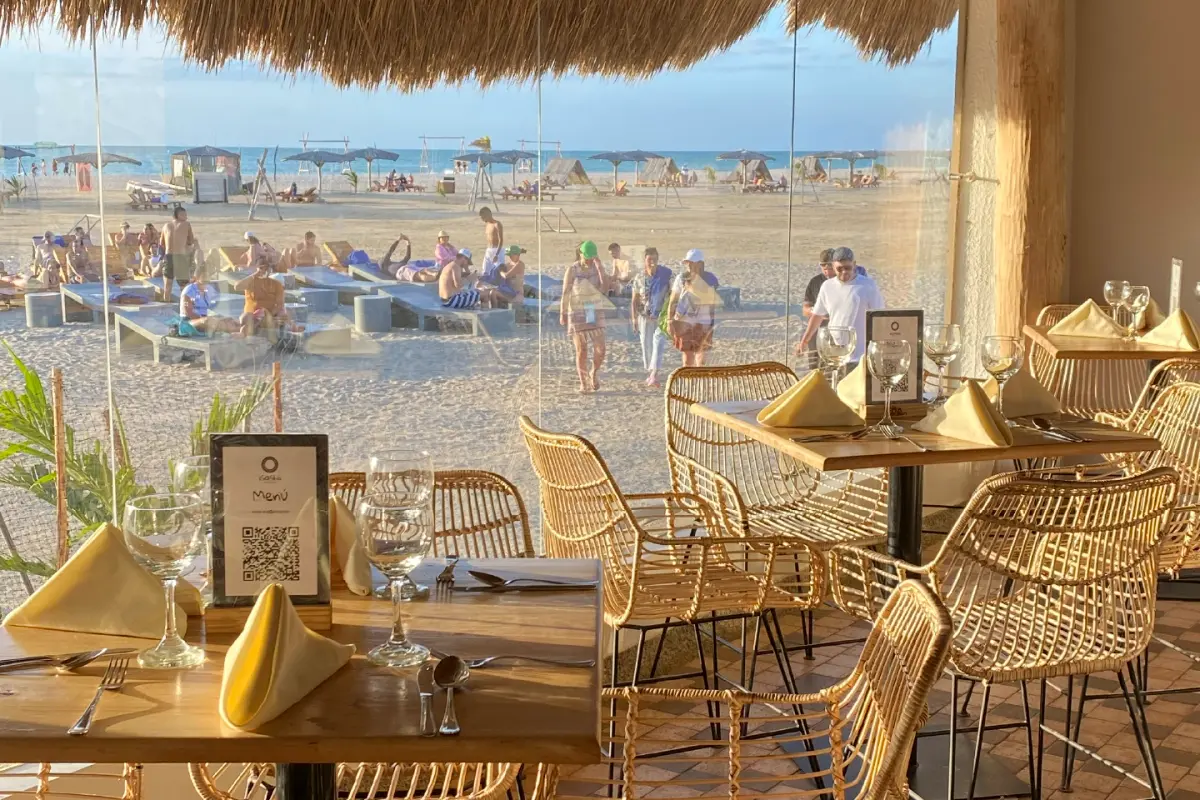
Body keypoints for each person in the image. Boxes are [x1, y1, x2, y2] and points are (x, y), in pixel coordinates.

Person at [795, 246, 884, 363]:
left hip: (860, 355)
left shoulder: (868, 285)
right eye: (839, 268)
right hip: (834, 352)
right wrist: (804, 341)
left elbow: (880, 317)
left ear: (854, 264)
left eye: (847, 268)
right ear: (833, 266)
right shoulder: (827, 286)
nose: (844, 272)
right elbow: (817, 316)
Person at [561, 240, 611, 392]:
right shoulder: (572, 269)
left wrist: (600, 268)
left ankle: (593, 372)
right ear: (581, 253)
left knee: (600, 348)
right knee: (581, 350)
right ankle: (583, 382)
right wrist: (563, 312)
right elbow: (566, 292)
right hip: (577, 311)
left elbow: (605, 288)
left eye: (592, 257)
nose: (589, 260)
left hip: (593, 308)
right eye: (587, 257)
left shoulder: (597, 268)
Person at [668, 248, 720, 367]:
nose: (689, 266)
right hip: (684, 322)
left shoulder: (710, 279)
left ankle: (699, 378)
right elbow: (673, 300)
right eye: (688, 263)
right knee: (687, 360)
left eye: (692, 263)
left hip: (704, 322)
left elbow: (712, 302)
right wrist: (669, 320)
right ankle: (689, 378)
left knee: (701, 360)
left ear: (701, 264)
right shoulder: (681, 278)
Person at [629, 246, 673, 387]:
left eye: (654, 259)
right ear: (645, 260)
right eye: (649, 259)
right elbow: (634, 300)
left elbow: (672, 295)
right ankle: (651, 372)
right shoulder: (639, 278)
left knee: (658, 343)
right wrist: (634, 318)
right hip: (644, 316)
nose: (652, 262)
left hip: (660, 316)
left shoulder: (666, 276)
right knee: (646, 344)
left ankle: (655, 373)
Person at [234, 258, 290, 337]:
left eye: (266, 268)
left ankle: (278, 334)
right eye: (261, 268)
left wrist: (269, 316)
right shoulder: (251, 282)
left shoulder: (276, 284)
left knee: (282, 315)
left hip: (270, 313)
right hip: (252, 314)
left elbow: (279, 304)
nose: (264, 271)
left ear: (270, 270)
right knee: (245, 318)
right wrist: (255, 274)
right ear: (256, 268)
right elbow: (237, 287)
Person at [161, 206, 197, 300]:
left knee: (167, 286)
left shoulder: (166, 226)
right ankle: (184, 305)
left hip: (168, 256)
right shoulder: (186, 224)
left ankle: (166, 304)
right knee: (184, 287)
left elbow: (161, 243)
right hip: (180, 257)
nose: (186, 217)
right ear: (179, 215)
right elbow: (191, 241)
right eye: (184, 215)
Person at [479, 207, 504, 283]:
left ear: (488, 214)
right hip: (489, 250)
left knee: (497, 271)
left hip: (497, 250)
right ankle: (485, 286)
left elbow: (501, 240)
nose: (483, 219)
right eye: (482, 218)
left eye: (483, 217)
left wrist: (497, 254)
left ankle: (500, 286)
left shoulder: (497, 224)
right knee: (485, 271)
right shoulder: (487, 224)